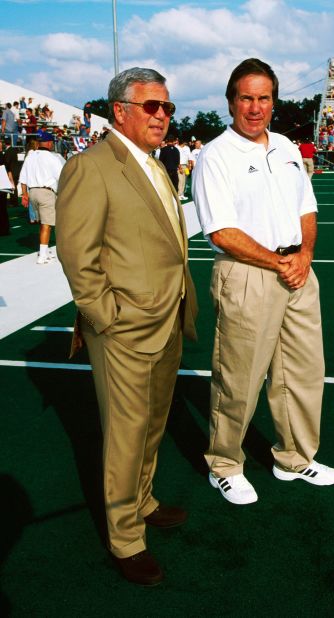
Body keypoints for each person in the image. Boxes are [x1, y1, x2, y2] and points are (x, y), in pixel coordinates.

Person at [55, 67, 198, 586]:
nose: (163, 116)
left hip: (167, 317)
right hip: (123, 329)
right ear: (120, 110)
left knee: (154, 422)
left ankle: (143, 499)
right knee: (124, 433)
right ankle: (125, 537)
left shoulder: (157, 163)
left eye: (168, 107)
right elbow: (78, 254)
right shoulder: (89, 167)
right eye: (152, 107)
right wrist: (106, 319)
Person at [192, 58, 334, 507]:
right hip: (247, 274)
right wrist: (278, 263)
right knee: (239, 377)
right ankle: (224, 465)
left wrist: (304, 255)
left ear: (274, 101)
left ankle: (293, 457)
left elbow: (306, 208)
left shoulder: (286, 147)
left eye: (264, 98)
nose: (255, 107)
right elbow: (221, 231)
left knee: (302, 372)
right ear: (230, 101)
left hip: (297, 269)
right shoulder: (216, 155)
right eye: (246, 97)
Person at [19, 132, 65, 263]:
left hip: (32, 192)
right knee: (47, 225)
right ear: (50, 143)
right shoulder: (52, 158)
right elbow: (62, 176)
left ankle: (45, 250)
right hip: (46, 193)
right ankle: (43, 255)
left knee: (44, 224)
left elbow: (23, 178)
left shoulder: (30, 157)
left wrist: (24, 195)